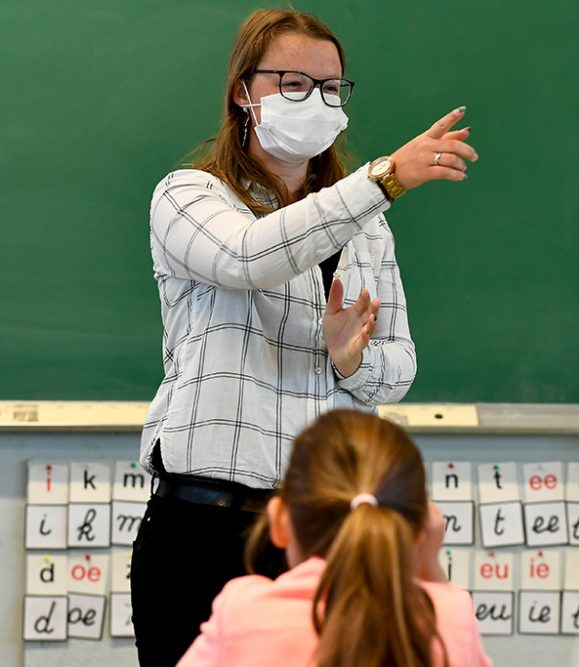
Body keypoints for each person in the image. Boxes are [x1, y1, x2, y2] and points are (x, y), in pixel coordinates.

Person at [131, 9, 478, 666]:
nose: (316, 102)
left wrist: (351, 363)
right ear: (243, 91)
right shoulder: (189, 195)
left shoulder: (369, 229)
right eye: (293, 84)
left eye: (330, 88)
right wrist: (382, 180)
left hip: (328, 530)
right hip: (205, 524)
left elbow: (398, 363)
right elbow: (247, 257)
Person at [176, 410, 491, 667]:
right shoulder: (449, 616)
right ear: (421, 529)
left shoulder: (243, 611)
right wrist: (431, 570)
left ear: (280, 522)